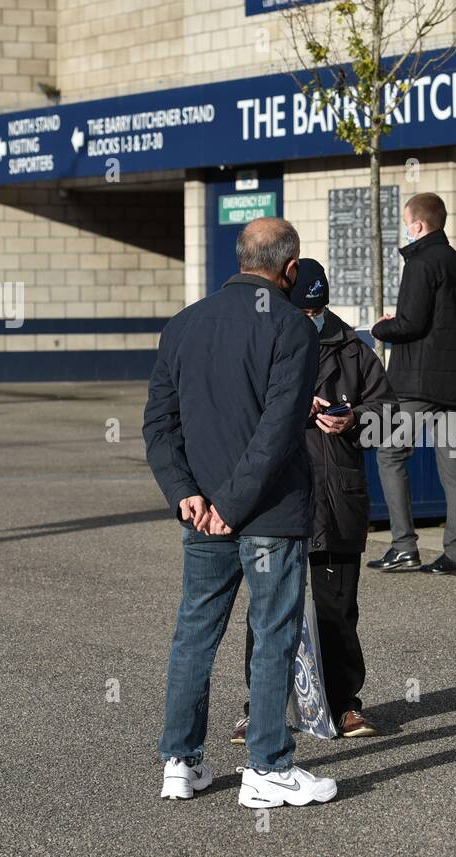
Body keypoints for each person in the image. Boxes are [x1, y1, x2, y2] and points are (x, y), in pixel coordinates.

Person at [142, 217, 338, 807]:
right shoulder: (293, 328)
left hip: (202, 513)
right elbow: (277, 431)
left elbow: (159, 424)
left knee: (194, 633)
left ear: (239, 259)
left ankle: (181, 761)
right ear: (290, 269)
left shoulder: (184, 325)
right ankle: (268, 766)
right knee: (274, 633)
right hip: (266, 513)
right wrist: (231, 504)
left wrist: (188, 494)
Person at [231, 258, 397, 745]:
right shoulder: (260, 343)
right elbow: (237, 412)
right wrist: (293, 408)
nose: (312, 318)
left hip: (336, 496)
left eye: (319, 309)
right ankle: (258, 706)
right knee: (268, 608)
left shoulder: (352, 348)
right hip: (276, 497)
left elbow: (389, 412)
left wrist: (356, 419)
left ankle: (344, 704)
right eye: (304, 310)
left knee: (337, 608)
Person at [369, 192, 456, 577]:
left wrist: (381, 326)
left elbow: (411, 325)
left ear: (417, 225)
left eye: (406, 222)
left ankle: (403, 547)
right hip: (455, 386)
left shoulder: (420, 263)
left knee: (389, 454)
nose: (405, 229)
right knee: (453, 469)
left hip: (416, 385)